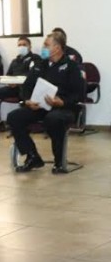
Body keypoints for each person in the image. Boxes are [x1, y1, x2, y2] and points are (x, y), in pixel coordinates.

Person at [8, 32, 84, 174]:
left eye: (46, 45)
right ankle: (32, 156)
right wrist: (27, 101)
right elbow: (26, 87)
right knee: (14, 117)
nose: (43, 47)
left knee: (54, 119)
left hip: (64, 108)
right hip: (40, 106)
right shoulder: (39, 65)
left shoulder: (71, 66)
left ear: (57, 48)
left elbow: (79, 93)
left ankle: (59, 161)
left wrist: (62, 102)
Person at [0, 37, 42, 101]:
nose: (21, 47)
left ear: (30, 47)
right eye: (19, 45)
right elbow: (8, 75)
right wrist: (10, 82)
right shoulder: (14, 61)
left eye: (24, 45)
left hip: (25, 89)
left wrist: (18, 82)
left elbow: (34, 75)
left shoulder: (35, 58)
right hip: (13, 88)